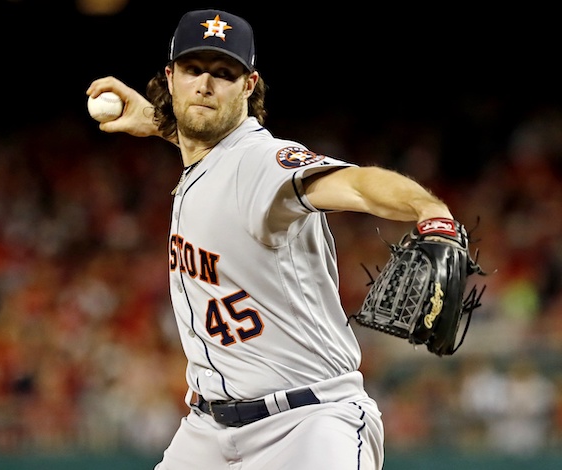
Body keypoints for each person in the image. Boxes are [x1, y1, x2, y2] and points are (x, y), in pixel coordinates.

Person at [87, 9, 454, 470]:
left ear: (248, 86)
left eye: (223, 73)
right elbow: (212, 153)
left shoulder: (264, 161)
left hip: (306, 425)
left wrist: (429, 210)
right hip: (207, 431)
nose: (205, 84)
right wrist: (162, 124)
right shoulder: (209, 159)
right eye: (192, 69)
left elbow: (355, 183)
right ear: (170, 76)